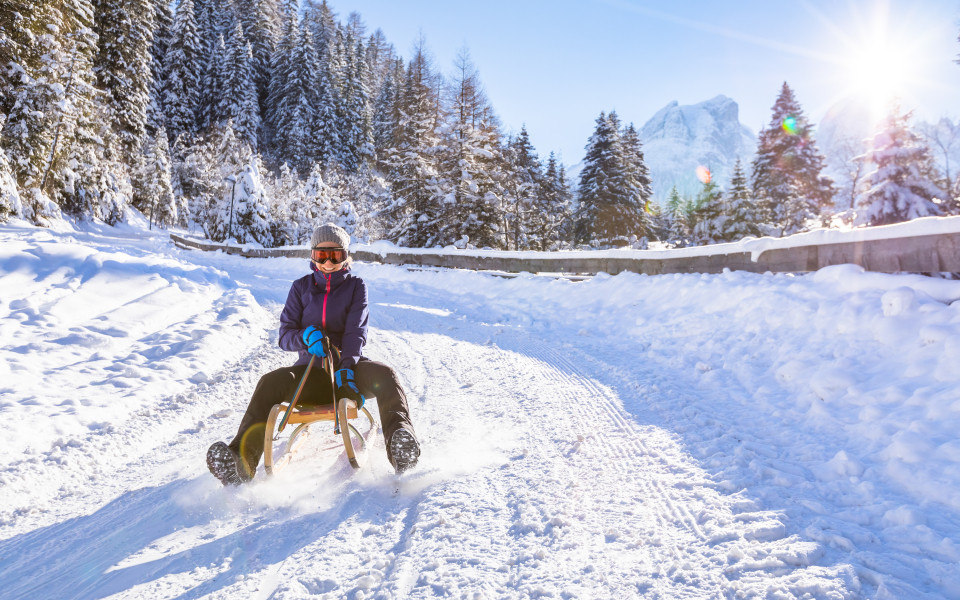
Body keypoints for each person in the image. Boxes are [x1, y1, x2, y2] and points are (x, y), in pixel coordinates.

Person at [206, 223, 420, 485]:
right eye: (322, 256)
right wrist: (306, 337)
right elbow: (285, 336)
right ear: (312, 256)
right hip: (312, 374)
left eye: (336, 256)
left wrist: (346, 368)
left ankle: (401, 444)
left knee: (386, 375)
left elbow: (356, 333)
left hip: (349, 374)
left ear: (346, 256)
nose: (328, 263)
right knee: (269, 382)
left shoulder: (356, 287)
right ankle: (240, 461)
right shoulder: (300, 288)